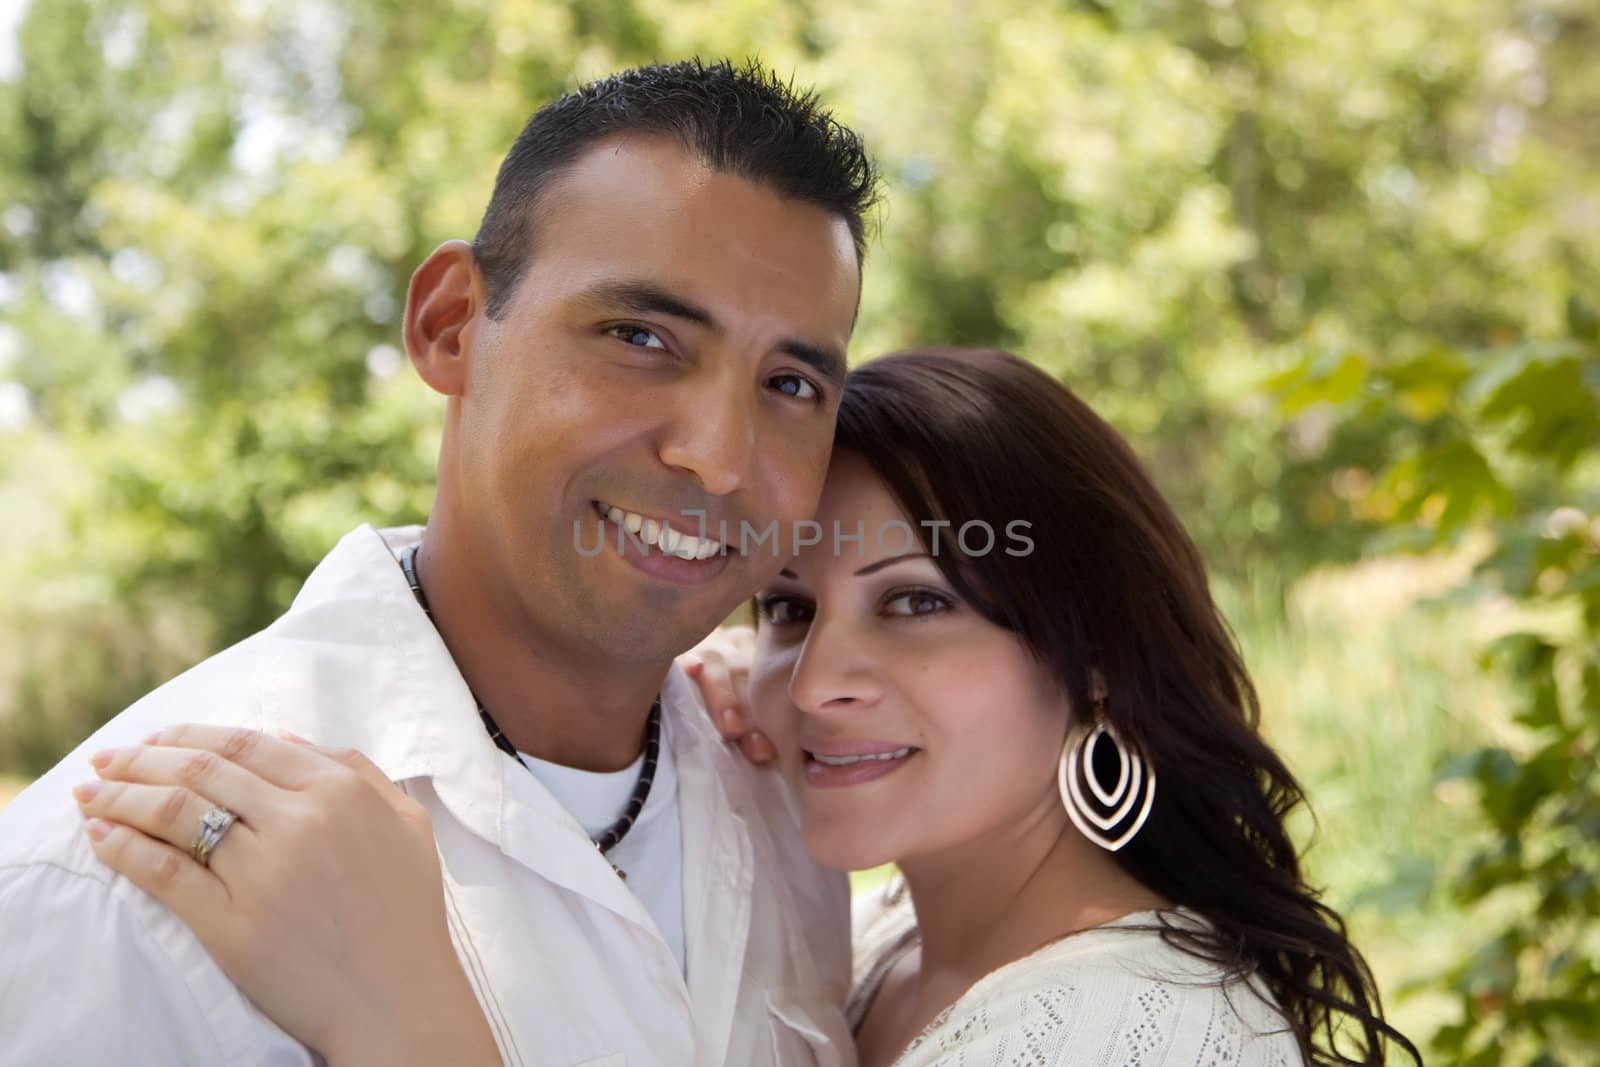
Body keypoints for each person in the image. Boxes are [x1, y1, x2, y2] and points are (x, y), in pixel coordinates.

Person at [73, 349, 1423, 1066]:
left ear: (1094, 656)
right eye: (786, 606)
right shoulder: (894, 935)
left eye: (915, 602)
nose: (819, 674)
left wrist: (408, 1018)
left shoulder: (1150, 1035)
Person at [0, 59, 878, 1066]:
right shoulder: (123, 890)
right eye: (641, 336)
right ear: (449, 325)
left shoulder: (784, 803)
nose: (719, 456)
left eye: (791, 383)